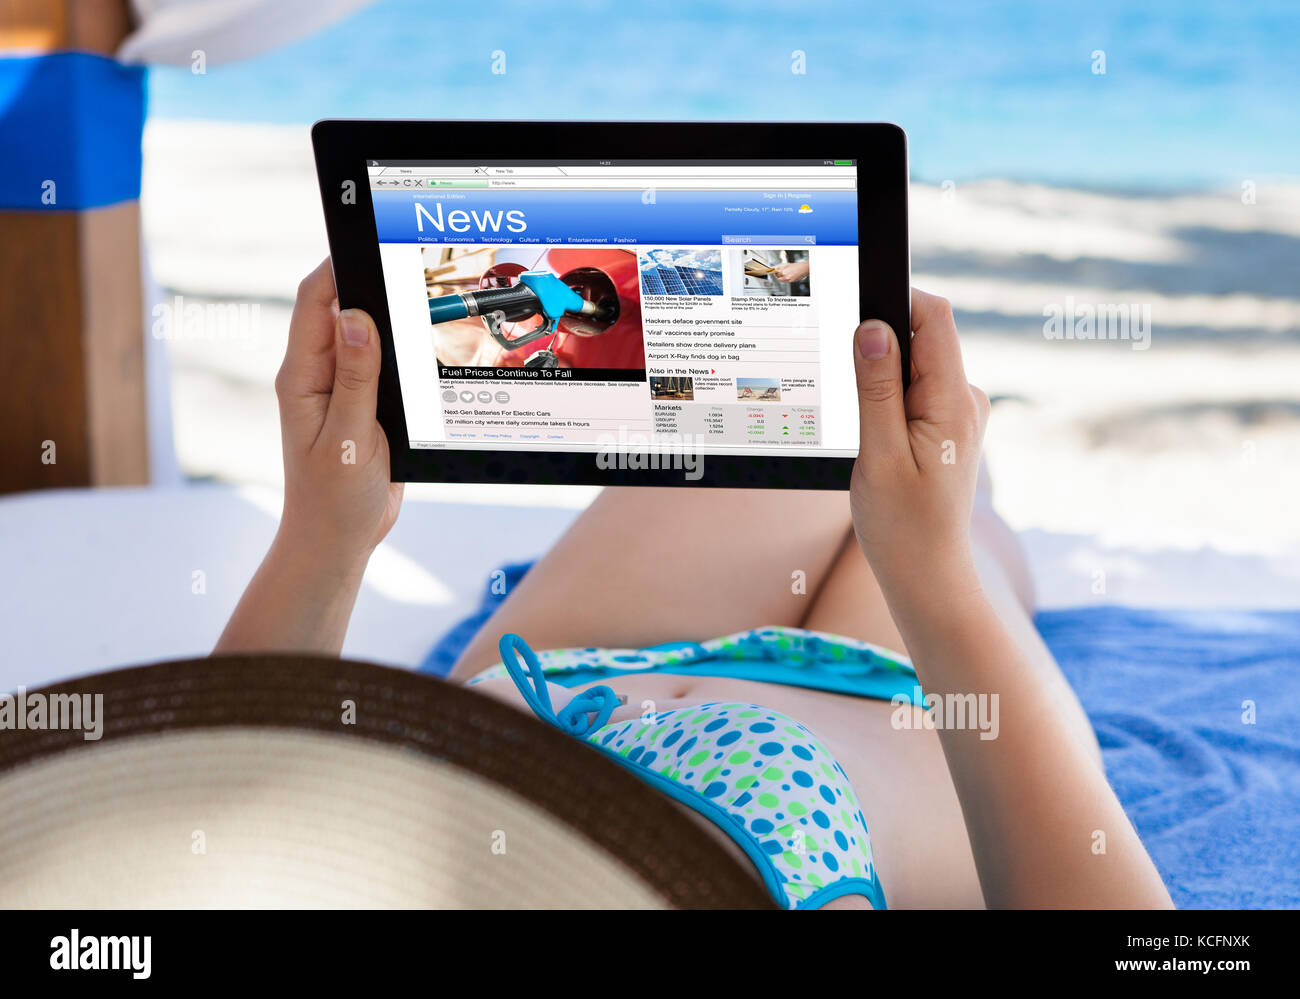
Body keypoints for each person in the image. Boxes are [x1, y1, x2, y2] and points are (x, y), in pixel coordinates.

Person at [216, 259, 1172, 910]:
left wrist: (323, 537)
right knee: (949, 497)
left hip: (552, 683)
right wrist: (938, 578)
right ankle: (969, 497)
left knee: (810, 421)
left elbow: (202, 820)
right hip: (883, 705)